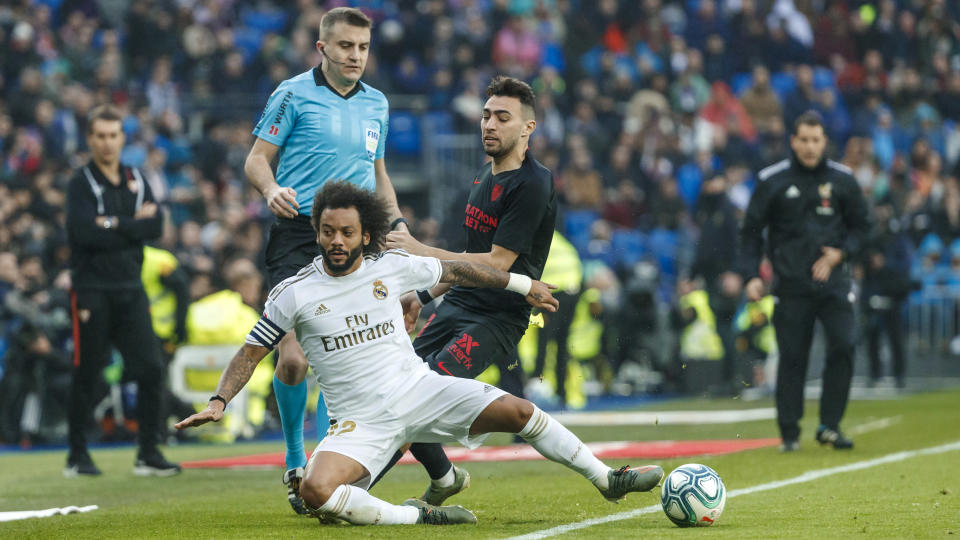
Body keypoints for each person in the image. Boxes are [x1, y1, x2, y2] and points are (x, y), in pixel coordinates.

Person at [175, 181, 663, 526]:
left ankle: (607, 479)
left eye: (347, 232)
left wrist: (521, 285)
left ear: (366, 233)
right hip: (359, 422)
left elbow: (458, 270)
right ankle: (419, 515)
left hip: (418, 390)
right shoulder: (293, 292)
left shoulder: (392, 266)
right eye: (327, 232)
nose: (336, 241)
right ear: (318, 233)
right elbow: (251, 350)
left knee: (520, 411)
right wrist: (219, 402)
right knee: (316, 493)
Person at [242, 7, 407, 513]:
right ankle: (294, 459)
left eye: (362, 47)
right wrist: (270, 190)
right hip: (298, 234)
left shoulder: (377, 103)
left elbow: (377, 172)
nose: (355, 55)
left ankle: (320, 468)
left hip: (356, 240)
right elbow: (255, 159)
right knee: (292, 357)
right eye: (345, 46)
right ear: (323, 49)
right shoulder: (292, 93)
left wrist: (396, 224)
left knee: (341, 364)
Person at [380, 76, 558, 503]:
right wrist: (422, 295)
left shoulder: (533, 183)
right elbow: (468, 257)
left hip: (498, 317)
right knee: (396, 390)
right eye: (485, 115)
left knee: (422, 396)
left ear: (528, 128)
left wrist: (422, 252)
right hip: (459, 302)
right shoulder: (483, 174)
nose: (489, 125)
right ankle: (445, 478)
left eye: (502, 117)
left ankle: (349, 488)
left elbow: (497, 264)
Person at [739, 110, 870, 452]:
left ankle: (829, 425)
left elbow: (864, 229)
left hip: (835, 283)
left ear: (824, 141)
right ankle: (789, 433)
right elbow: (750, 233)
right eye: (804, 140)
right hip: (791, 285)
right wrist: (752, 274)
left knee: (844, 344)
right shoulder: (772, 180)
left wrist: (840, 253)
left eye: (816, 140)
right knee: (793, 356)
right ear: (793, 141)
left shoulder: (844, 180)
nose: (810, 147)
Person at [64, 104, 181, 476]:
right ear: (90, 139)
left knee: (150, 368)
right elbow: (82, 232)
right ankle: (76, 455)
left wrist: (111, 225)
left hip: (130, 289)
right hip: (92, 290)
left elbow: (157, 227)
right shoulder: (80, 183)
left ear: (122, 138)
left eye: (113, 135)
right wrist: (132, 224)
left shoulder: (136, 177)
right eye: (100, 135)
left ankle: (148, 452)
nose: (107, 143)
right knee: (88, 373)